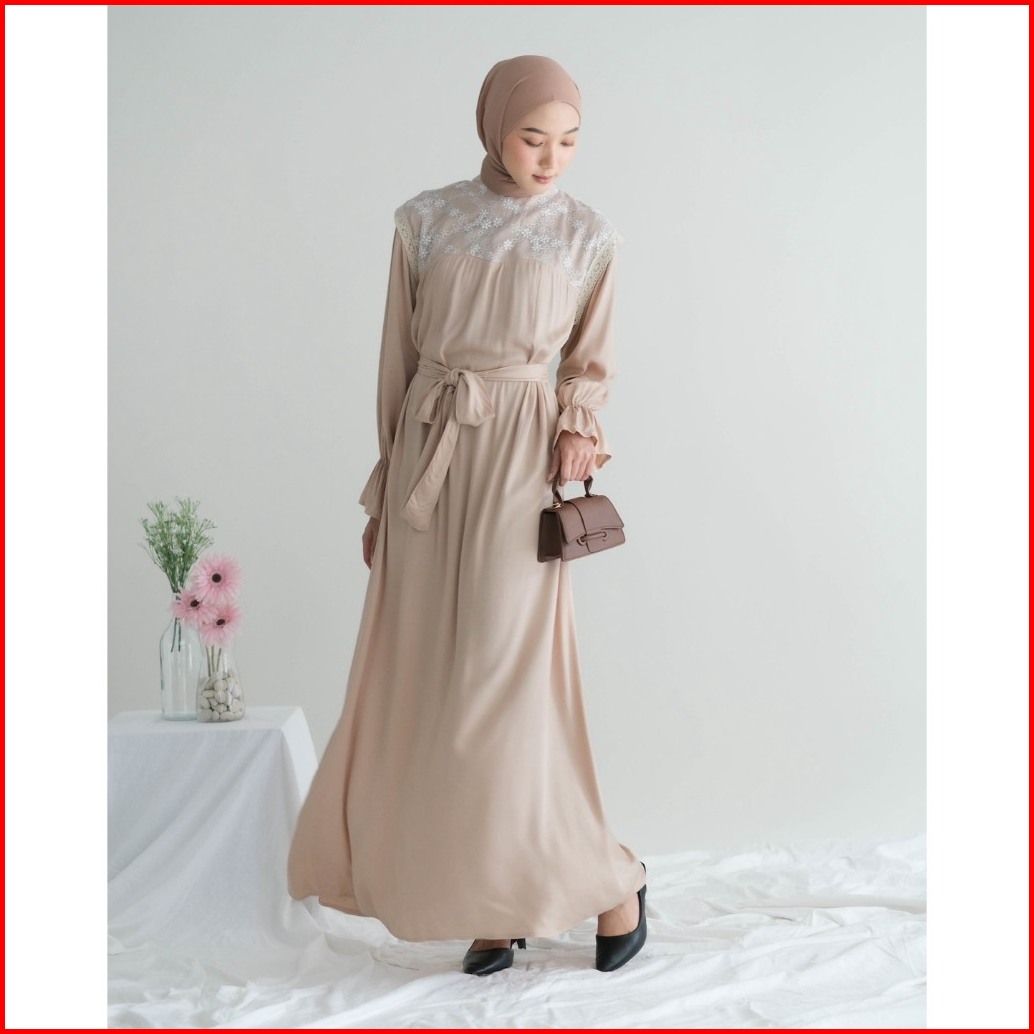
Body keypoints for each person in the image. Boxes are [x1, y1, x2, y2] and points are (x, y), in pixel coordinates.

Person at [287, 54, 647, 975]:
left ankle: (615, 881)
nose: (551, 158)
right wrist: (384, 492)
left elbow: (590, 360)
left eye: (569, 141)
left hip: (519, 463)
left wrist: (580, 425)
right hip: (429, 462)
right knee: (434, 689)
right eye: (533, 137)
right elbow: (397, 363)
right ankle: (495, 902)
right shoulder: (425, 220)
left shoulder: (587, 236)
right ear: (493, 129)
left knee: (502, 691)